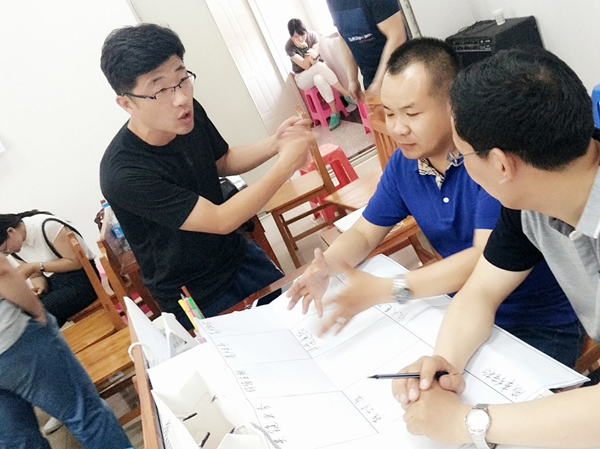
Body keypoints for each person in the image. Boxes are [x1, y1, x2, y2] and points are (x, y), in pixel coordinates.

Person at [286, 38, 582, 368]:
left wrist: (390, 289)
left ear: (452, 105)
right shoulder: (405, 165)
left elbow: (482, 259)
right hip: (461, 309)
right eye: (389, 113)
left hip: (535, 321)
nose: (397, 128)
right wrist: (326, 265)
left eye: (412, 113)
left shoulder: (488, 166)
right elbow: (365, 232)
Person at [392, 48, 600, 448]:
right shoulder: (531, 200)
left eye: (462, 152)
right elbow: (481, 291)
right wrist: (444, 364)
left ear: (502, 165)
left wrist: (469, 422)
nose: (459, 162)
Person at [99, 24, 311, 330]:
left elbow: (222, 161)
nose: (180, 98)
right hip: (198, 294)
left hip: (237, 255)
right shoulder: (124, 173)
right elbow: (220, 219)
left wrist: (276, 143)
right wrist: (285, 166)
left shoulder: (188, 113)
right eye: (161, 90)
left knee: (301, 323)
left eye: (182, 79)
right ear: (127, 103)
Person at [0, 254, 132, 449]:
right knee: (84, 414)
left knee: (19, 443)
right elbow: (3, 272)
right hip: (13, 340)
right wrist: (37, 311)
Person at [0, 210, 98, 327]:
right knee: (22, 314)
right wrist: (40, 287)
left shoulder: (47, 226)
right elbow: (35, 276)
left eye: (5, 249)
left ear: (11, 231)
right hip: (54, 285)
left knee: (32, 318)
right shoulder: (16, 247)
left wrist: (36, 266)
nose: (7, 252)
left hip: (83, 280)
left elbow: (76, 262)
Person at [326, 0, 407, 100]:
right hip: (370, 77)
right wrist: (353, 80)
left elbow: (397, 37)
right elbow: (344, 38)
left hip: (399, 71)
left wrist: (379, 82)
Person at [285, 18, 356, 131]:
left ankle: (334, 113)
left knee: (319, 78)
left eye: (302, 35)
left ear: (305, 31)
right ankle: (345, 93)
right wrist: (305, 49)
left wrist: (312, 58)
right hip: (302, 78)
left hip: (317, 69)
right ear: (291, 36)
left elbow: (314, 59)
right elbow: (306, 66)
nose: (300, 39)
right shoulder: (289, 46)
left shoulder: (312, 36)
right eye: (296, 37)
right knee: (319, 67)